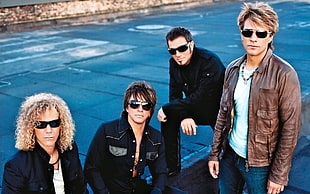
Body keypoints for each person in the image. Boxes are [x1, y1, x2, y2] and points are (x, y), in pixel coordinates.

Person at [208, 2, 302, 194]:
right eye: (248, 32)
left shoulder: (284, 74)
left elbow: (290, 129)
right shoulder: (233, 69)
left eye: (261, 33)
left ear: (271, 36)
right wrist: (214, 154)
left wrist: (278, 175)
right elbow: (223, 114)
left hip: (260, 165)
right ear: (241, 33)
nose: (253, 39)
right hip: (230, 155)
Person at [157, 27, 226, 176]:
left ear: (191, 45)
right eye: (172, 51)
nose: (178, 55)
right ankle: (171, 167)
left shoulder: (209, 61)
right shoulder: (173, 63)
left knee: (228, 154)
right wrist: (183, 116)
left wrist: (168, 108)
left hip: (219, 110)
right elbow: (174, 94)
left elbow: (202, 96)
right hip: (195, 107)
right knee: (168, 118)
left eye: (182, 49)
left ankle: (229, 166)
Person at [84, 81, 168, 194]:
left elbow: (160, 173)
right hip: (111, 190)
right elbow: (91, 169)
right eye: (134, 104)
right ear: (127, 107)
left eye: (146, 105)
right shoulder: (107, 130)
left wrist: (156, 191)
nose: (140, 109)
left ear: (150, 111)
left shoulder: (156, 138)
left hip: (137, 188)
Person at [2, 93, 88, 194]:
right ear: (31, 128)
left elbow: (81, 188)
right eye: (40, 124)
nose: (48, 130)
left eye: (54, 123)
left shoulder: (70, 148)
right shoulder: (17, 166)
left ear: (62, 125)